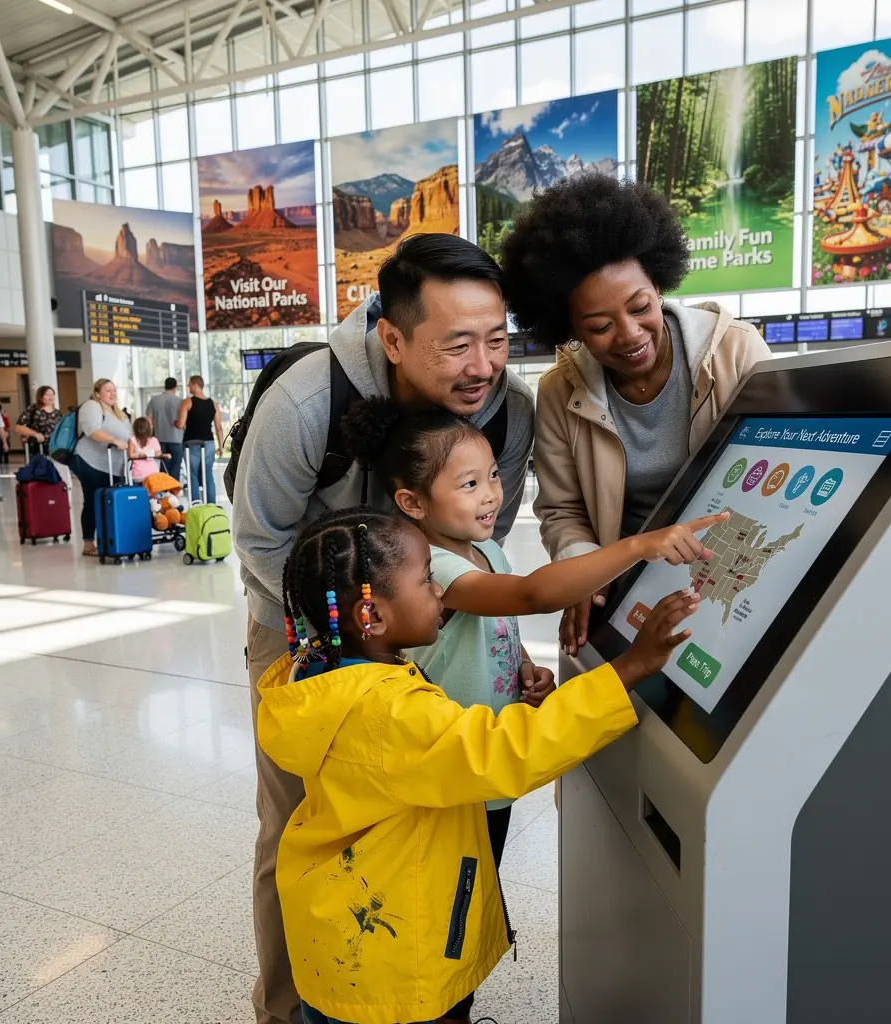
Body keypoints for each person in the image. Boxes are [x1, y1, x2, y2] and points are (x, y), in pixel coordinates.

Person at [341, 397, 725, 1024]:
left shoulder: (483, 549)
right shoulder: (433, 564)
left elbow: (499, 626)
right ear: (412, 503)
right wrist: (638, 546)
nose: (491, 493)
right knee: (440, 910)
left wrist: (520, 669)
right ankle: (436, 1007)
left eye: (493, 474)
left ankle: (450, 1002)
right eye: (469, 484)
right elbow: (529, 595)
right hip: (446, 784)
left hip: (485, 777)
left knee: (466, 900)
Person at [232, 233, 535, 1024]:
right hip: (308, 632)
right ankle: (291, 1006)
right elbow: (261, 539)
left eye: (497, 339)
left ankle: (428, 995)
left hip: (445, 622)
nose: (483, 366)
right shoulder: (307, 401)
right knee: (303, 826)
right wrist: (346, 647)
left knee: (439, 823)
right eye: (458, 344)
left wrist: (506, 647)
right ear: (391, 336)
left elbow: (483, 538)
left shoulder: (507, 410)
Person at [257, 507, 703, 1024]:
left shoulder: (320, 675)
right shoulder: (391, 713)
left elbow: (445, 745)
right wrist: (628, 669)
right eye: (426, 580)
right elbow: (508, 751)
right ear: (371, 617)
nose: (438, 592)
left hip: (339, 936)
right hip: (398, 959)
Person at [500, 175, 771, 653]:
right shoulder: (561, 391)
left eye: (640, 306)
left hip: (732, 572)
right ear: (569, 327)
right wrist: (586, 572)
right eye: (600, 326)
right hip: (622, 587)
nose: (628, 335)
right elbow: (562, 511)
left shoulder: (734, 352)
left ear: (659, 283)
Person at [70, 379, 131, 557]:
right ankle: (88, 543)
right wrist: (114, 441)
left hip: (113, 465)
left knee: (110, 501)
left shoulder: (118, 413)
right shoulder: (92, 406)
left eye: (114, 390)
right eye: (107, 390)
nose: (112, 394)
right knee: (93, 500)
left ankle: (111, 539)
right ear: (97, 393)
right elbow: (92, 431)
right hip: (90, 461)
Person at [177, 375, 223, 506]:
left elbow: (180, 424)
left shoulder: (187, 402)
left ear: (195, 385)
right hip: (208, 443)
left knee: (193, 475)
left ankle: (196, 505)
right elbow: (219, 427)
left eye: (189, 385)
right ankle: (212, 506)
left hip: (191, 443)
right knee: (208, 475)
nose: (188, 387)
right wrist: (220, 446)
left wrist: (175, 422)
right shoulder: (213, 404)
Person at [146, 377, 184, 480]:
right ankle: (174, 492)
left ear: (165, 386)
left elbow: (149, 420)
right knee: (176, 468)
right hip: (176, 439)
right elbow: (183, 421)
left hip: (160, 439)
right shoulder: (180, 401)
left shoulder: (154, 400)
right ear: (175, 387)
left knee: (163, 468)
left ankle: (164, 492)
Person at [128, 416, 163, 483]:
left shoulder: (132, 440)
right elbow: (159, 453)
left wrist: (139, 455)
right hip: (153, 472)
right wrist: (151, 454)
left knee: (140, 492)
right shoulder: (154, 440)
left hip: (138, 473)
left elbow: (131, 455)